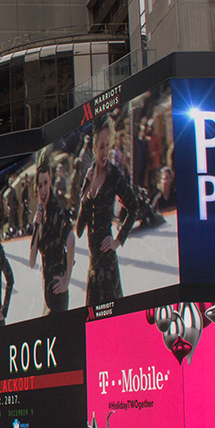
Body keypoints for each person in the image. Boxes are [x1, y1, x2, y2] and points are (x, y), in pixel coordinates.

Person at [75, 116, 139, 306]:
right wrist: (84, 192)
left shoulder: (113, 176)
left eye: (107, 145)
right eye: (101, 147)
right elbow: (79, 229)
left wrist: (118, 240)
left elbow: (134, 206)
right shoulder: (89, 176)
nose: (105, 152)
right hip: (93, 266)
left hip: (108, 266)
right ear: (94, 148)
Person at [29, 150, 76, 314]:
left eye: (46, 183)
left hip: (58, 294)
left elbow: (71, 238)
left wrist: (67, 279)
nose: (42, 190)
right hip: (48, 295)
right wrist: (36, 226)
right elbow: (31, 261)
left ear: (51, 180)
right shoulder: (44, 212)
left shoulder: (55, 209)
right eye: (39, 185)